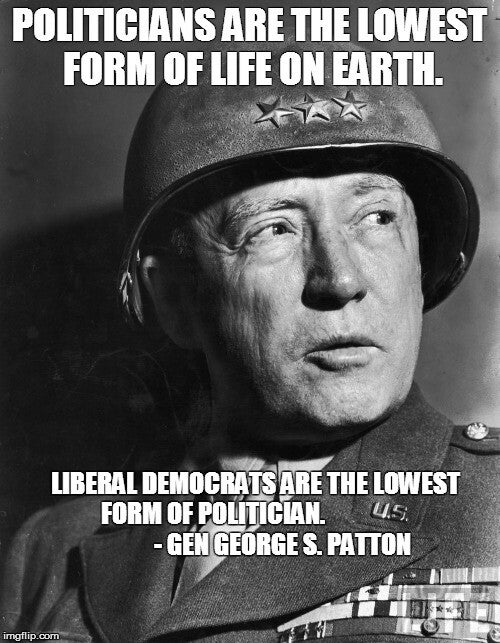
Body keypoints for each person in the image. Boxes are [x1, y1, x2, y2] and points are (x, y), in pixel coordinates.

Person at [1, 41, 499, 643]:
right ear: (174, 299)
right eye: (273, 228)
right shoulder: (55, 549)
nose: (340, 279)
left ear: (419, 260)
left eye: (377, 218)